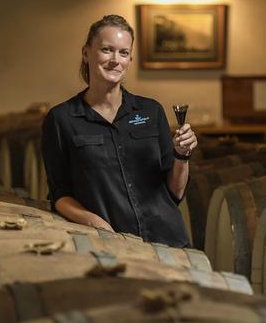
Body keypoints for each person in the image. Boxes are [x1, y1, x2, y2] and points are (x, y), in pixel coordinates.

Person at [41, 14, 196, 247]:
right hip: (111, 245)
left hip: (170, 242)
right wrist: (96, 223)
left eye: (123, 53)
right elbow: (60, 195)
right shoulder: (61, 119)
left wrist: (182, 155)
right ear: (86, 53)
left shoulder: (151, 110)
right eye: (106, 50)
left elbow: (175, 193)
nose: (115, 60)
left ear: (130, 59)